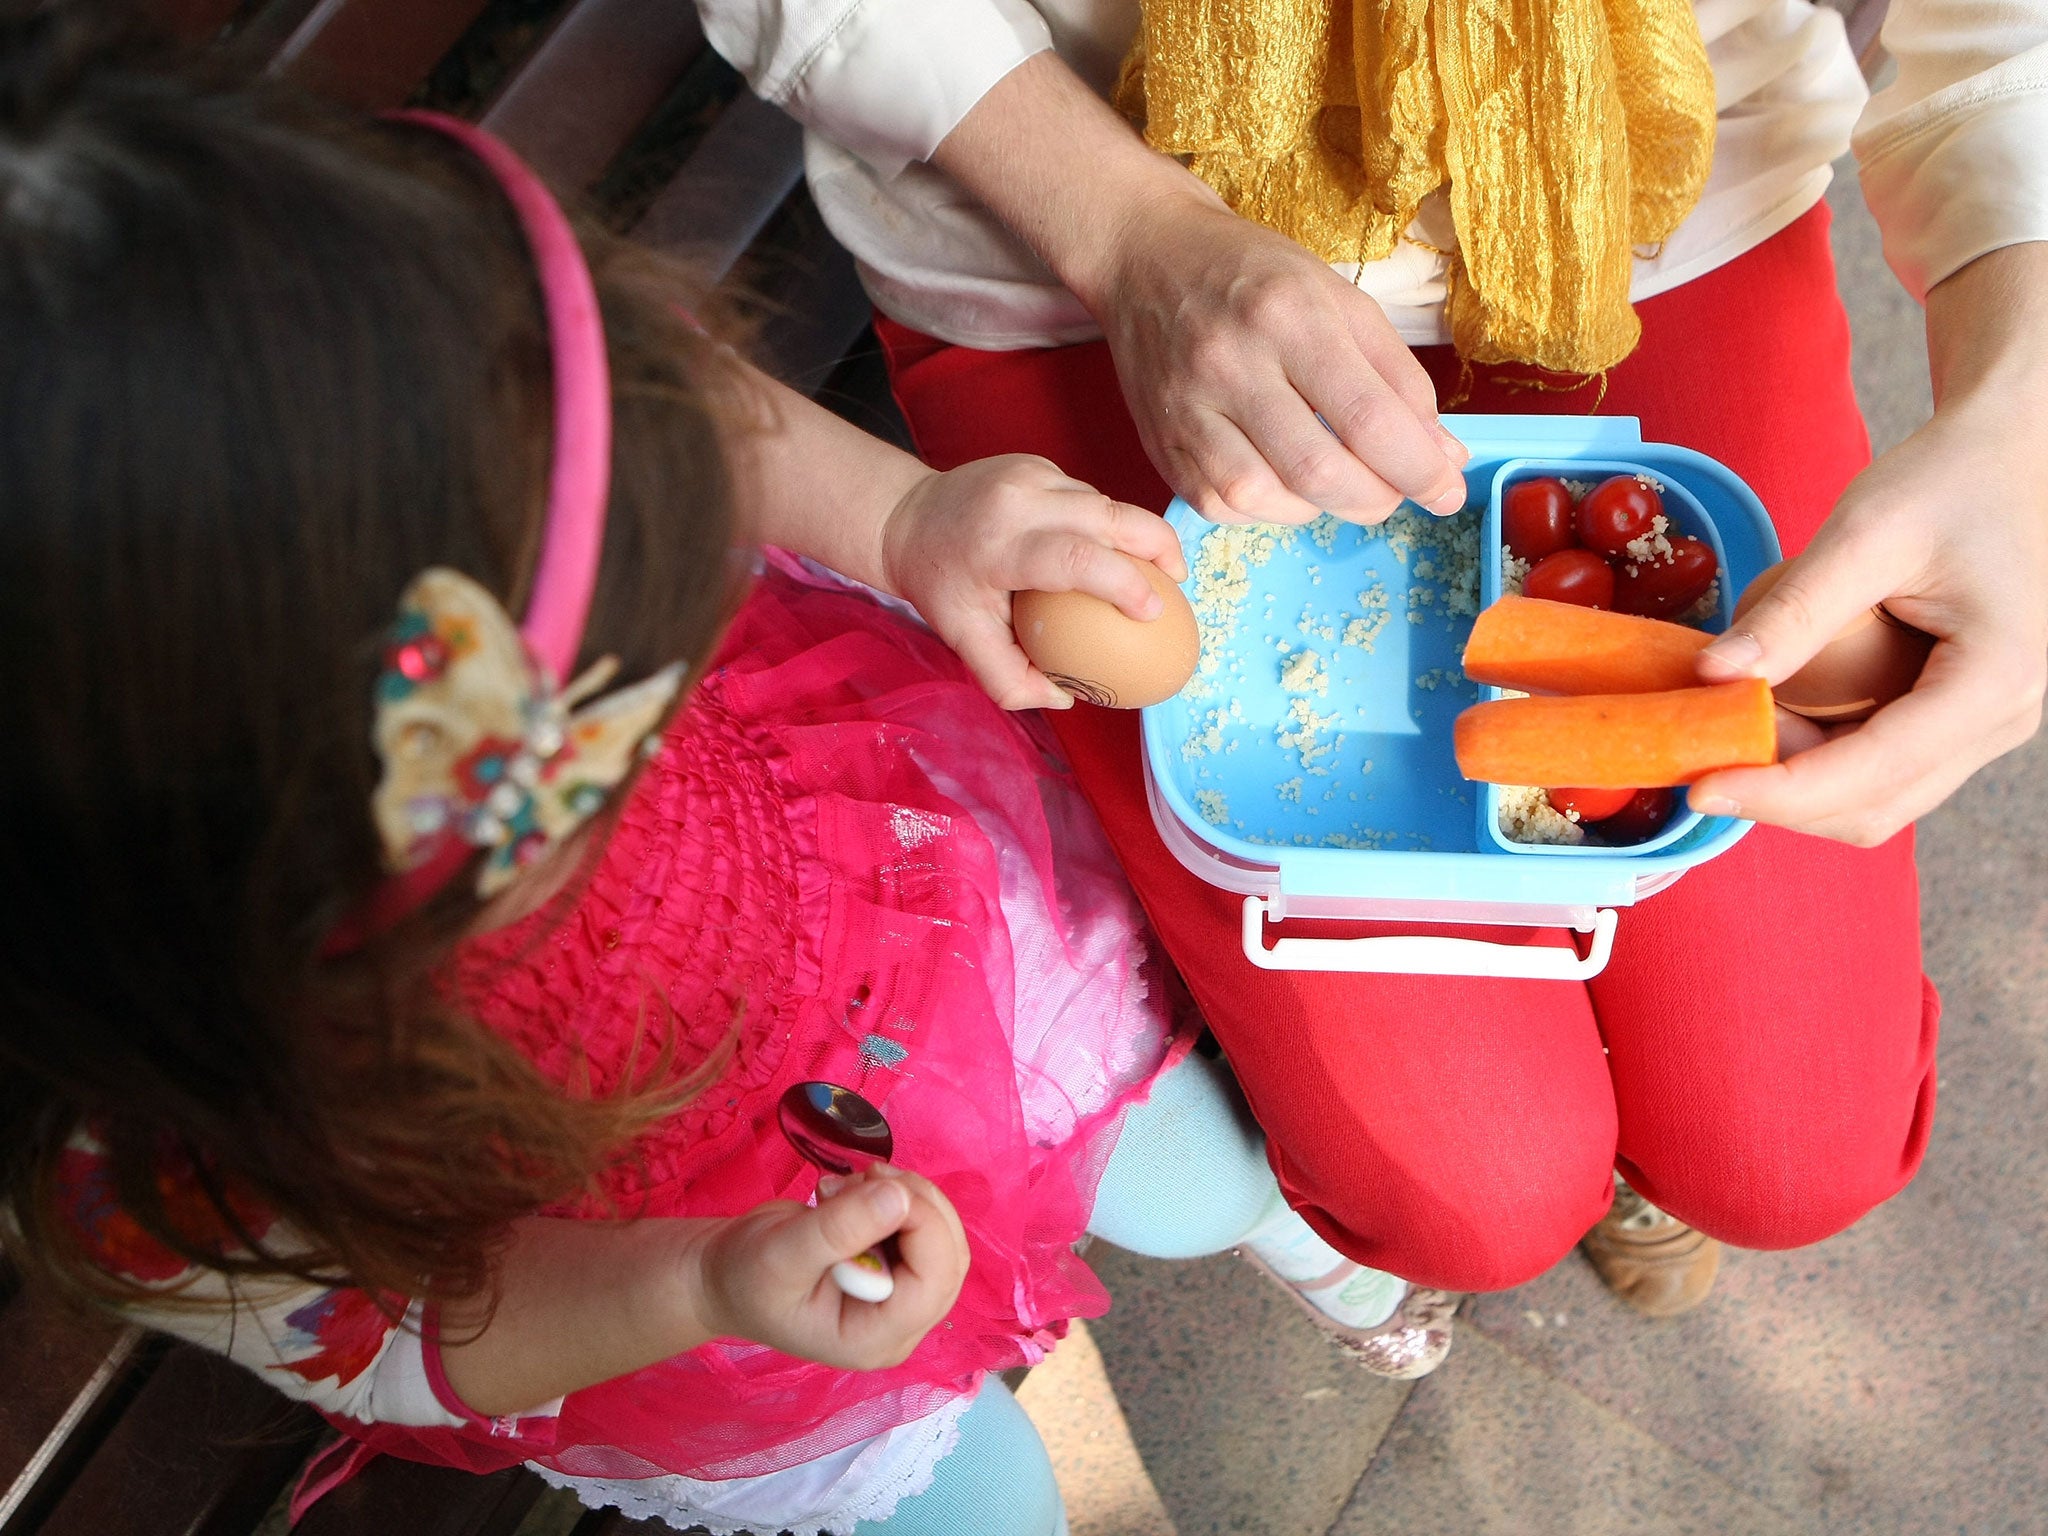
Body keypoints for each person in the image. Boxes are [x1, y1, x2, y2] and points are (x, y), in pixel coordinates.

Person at [0, 18, 1453, 1536]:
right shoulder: (155, 1156)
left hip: (876, 902)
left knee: (1196, 1178)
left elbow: (655, 404)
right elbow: (409, 1343)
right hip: (662, 1267)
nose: (627, 704)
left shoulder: (361, 355)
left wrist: (905, 524)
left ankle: (1309, 1246)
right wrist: (705, 1280)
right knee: (984, 1512)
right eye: (569, 765)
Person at [693, 0, 2048, 1317]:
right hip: (1065, 198)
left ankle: (1636, 1086)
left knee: (1786, 1160)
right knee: (1473, 1199)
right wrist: (1132, 230)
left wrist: (2020, 413)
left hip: (1650, 185)